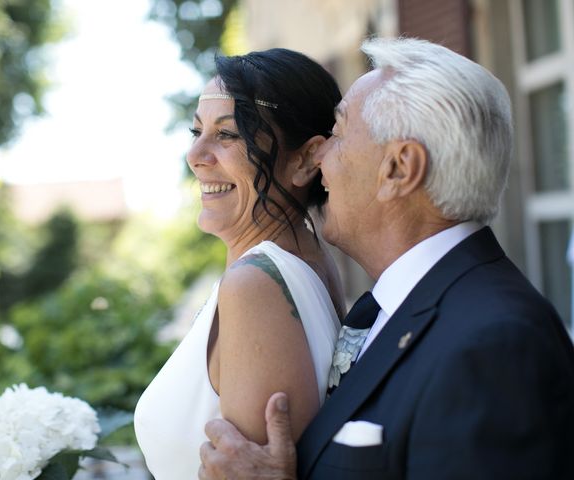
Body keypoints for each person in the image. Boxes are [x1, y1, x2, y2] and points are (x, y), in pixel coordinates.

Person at [199, 37, 574, 479]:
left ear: (398, 168)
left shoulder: (493, 344)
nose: (317, 157)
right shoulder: (387, 311)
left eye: (336, 136)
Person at [133, 48, 345, 479]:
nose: (196, 155)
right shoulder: (306, 261)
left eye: (228, 135)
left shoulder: (256, 286)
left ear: (304, 160)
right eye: (197, 131)